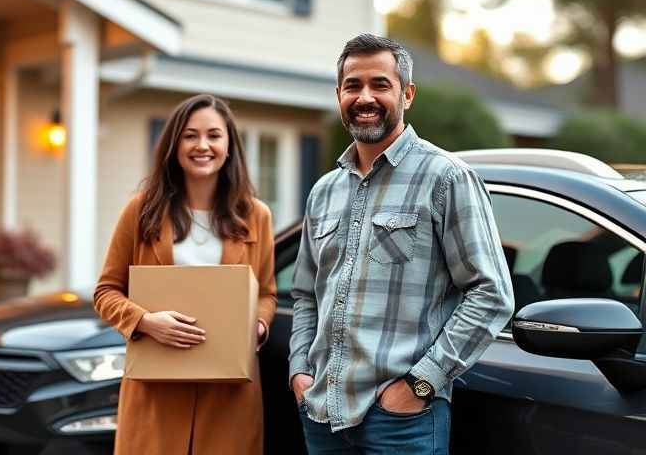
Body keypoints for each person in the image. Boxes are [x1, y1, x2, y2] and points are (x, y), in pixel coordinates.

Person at [289, 34, 514, 454]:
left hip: (402, 422)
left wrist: (421, 383)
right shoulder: (324, 191)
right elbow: (305, 293)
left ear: (407, 94)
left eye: (380, 84)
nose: (365, 97)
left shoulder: (446, 177)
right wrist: (300, 371)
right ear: (338, 94)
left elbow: (491, 294)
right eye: (353, 85)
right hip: (321, 413)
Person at [94, 94, 277, 455]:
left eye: (214, 135)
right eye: (190, 135)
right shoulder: (141, 210)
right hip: (156, 391)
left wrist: (256, 326)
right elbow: (106, 291)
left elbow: (267, 293)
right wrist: (145, 321)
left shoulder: (257, 215)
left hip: (229, 394)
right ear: (174, 144)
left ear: (229, 146)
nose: (202, 145)